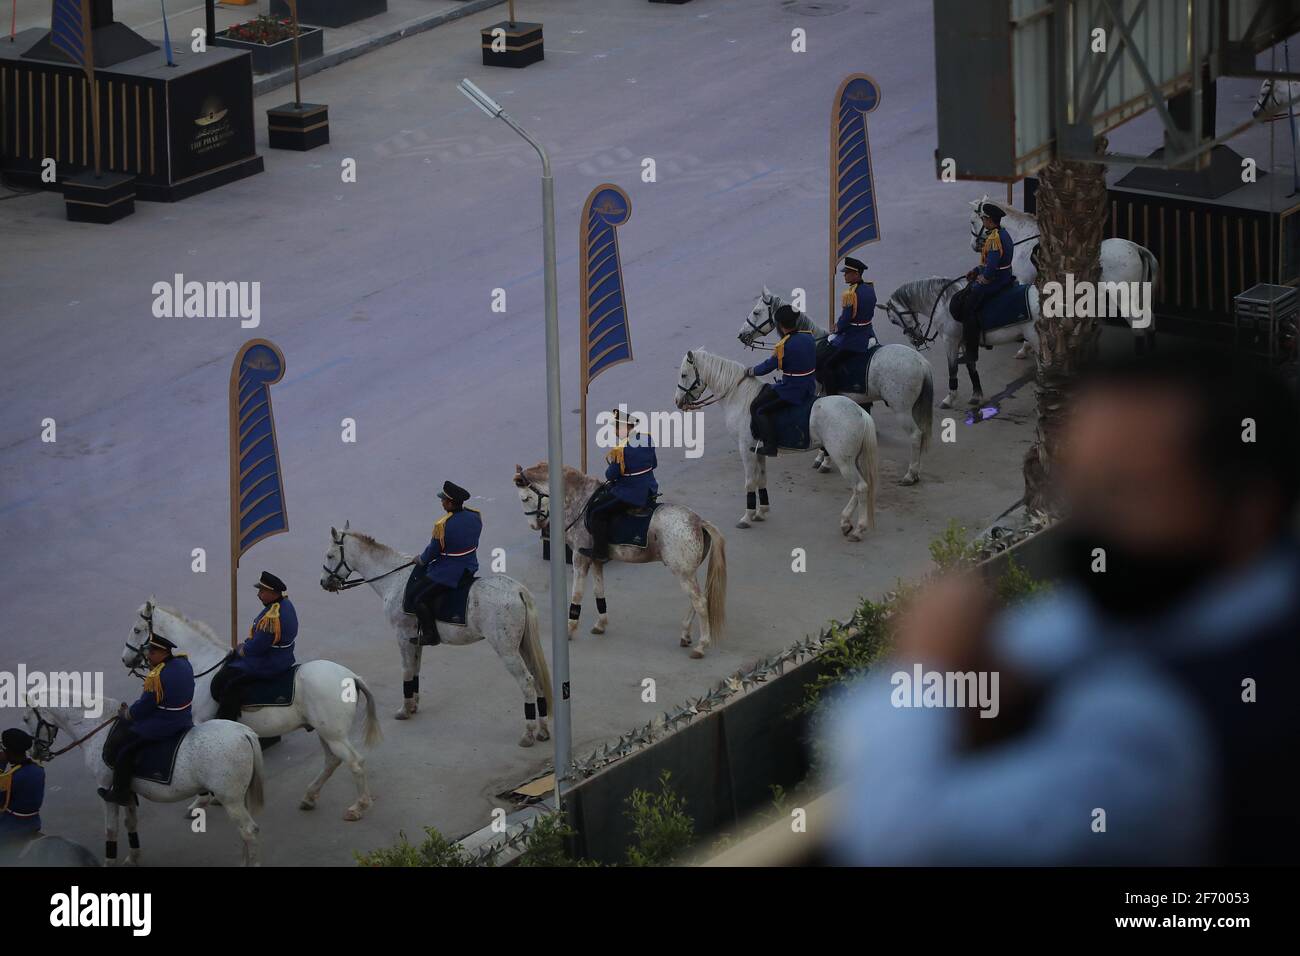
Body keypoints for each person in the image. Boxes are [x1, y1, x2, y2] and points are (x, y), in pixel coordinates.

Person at [825, 347, 1300, 865]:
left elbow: (898, 840)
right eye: (1082, 490)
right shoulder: (1180, 599)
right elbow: (1054, 638)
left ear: (1248, 505)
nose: (1090, 519)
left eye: (1125, 491)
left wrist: (925, 666)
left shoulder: (1151, 729)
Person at [100, 633, 194, 805]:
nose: (149, 657)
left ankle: (121, 794)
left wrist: (127, 714)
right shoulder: (183, 663)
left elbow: (145, 706)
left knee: (126, 750)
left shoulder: (157, 676)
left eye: (152, 653)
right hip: (184, 718)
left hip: (165, 724)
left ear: (164, 653)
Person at [211, 572, 298, 721]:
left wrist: (242, 649)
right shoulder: (285, 604)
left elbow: (257, 647)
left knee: (230, 680)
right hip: (284, 656)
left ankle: (227, 719)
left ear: (272, 592)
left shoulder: (272, 617)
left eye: (262, 591)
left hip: (269, 662)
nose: (259, 595)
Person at [408, 481, 481, 644]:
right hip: (470, 565)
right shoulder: (475, 516)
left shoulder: (443, 525)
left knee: (419, 598)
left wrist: (420, 559)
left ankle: (430, 635)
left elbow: (433, 551)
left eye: (443, 500)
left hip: (450, 571)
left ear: (449, 503)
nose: (441, 503)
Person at [581, 409, 658, 562]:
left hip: (631, 494)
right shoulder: (647, 439)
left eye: (616, 428)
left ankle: (601, 552)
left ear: (625, 428)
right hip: (650, 488)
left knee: (597, 512)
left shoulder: (621, 449)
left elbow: (610, 475)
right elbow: (654, 464)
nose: (615, 432)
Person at [746, 305, 817, 456]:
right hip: (810, 386)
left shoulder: (783, 346)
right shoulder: (808, 336)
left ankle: (770, 446)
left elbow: (768, 367)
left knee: (758, 408)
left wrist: (751, 371)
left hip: (792, 390)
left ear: (780, 326)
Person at [960, 203, 1015, 364]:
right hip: (1005, 275)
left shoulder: (993, 238)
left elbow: (991, 268)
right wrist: (976, 271)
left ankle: (972, 351)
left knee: (969, 306)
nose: (983, 222)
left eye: (983, 219)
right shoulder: (1003, 233)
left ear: (990, 221)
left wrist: (982, 279)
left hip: (997, 279)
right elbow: (988, 263)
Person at [819, 256, 878, 396]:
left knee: (828, 366)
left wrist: (837, 327)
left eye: (847, 273)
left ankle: (832, 397)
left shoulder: (850, 294)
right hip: (868, 332)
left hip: (855, 338)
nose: (844, 275)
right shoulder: (869, 288)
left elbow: (846, 319)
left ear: (856, 274)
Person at [0, 729, 44, 839]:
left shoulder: (11, 777)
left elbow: (1, 803)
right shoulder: (38, 769)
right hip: (34, 822)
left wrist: (0, 766)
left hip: (11, 827)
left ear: (8, 752)